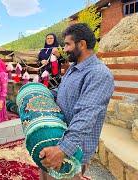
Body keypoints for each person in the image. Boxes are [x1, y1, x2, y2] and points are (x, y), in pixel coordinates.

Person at [38, 23, 114, 180]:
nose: (64, 49)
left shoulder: (99, 74)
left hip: (72, 151)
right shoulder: (73, 68)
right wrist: (42, 94)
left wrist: (63, 149)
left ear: (82, 44)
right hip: (58, 139)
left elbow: (86, 116)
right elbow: (61, 91)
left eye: (67, 44)